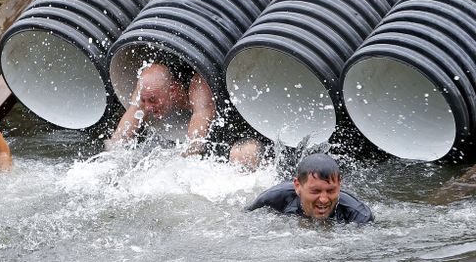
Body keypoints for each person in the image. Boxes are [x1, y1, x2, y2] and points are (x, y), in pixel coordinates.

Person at [107, 61, 216, 156]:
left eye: (153, 100)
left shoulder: (198, 87)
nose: (148, 108)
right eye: (144, 101)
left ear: (172, 91)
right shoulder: (148, 90)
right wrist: (111, 153)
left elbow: (196, 140)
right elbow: (121, 134)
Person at [246, 153, 374, 224]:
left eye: (330, 191)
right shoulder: (271, 199)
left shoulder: (359, 215)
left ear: (339, 184)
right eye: (315, 191)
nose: (324, 199)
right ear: (297, 186)